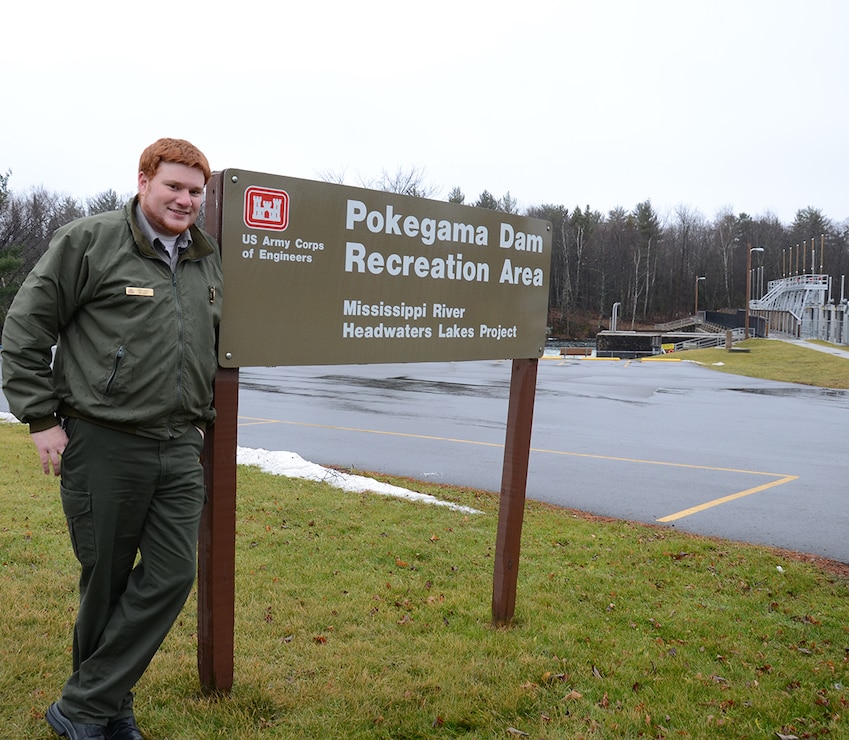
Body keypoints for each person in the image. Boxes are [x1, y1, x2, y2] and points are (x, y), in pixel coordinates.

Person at [1, 138, 223, 740]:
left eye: (195, 191)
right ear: (144, 180)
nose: (185, 199)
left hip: (180, 444)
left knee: (174, 573)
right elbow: (26, 327)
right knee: (106, 579)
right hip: (104, 441)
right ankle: (107, 709)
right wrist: (41, 417)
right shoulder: (90, 241)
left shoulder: (206, 258)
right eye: (173, 185)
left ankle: (84, 704)